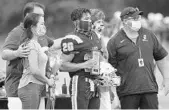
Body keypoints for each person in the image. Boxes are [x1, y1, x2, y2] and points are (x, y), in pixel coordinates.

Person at [1, 2, 62, 109]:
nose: (42, 18)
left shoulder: (39, 36)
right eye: (38, 15)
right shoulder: (17, 33)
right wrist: (17, 53)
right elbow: (4, 54)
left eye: (43, 16)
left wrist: (72, 39)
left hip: (39, 88)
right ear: (28, 17)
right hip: (20, 88)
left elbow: (53, 45)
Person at [107, 7, 169, 109]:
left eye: (138, 17)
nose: (138, 20)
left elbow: (161, 57)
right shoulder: (114, 41)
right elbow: (110, 69)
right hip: (126, 91)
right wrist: (113, 93)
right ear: (125, 21)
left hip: (149, 89)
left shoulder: (149, 34)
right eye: (134, 18)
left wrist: (166, 79)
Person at [60, 8, 101, 109]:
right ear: (76, 22)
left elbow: (98, 57)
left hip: (95, 82)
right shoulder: (72, 39)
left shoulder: (94, 35)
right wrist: (84, 65)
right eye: (86, 18)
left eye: (90, 18)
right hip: (80, 81)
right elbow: (62, 65)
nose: (90, 21)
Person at [18, 13, 55, 109]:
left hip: (35, 87)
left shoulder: (36, 44)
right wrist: (48, 81)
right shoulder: (32, 45)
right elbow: (34, 70)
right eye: (41, 24)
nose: (44, 26)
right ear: (33, 28)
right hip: (30, 86)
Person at [90, 8, 112, 110]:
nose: (101, 24)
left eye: (102, 21)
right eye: (99, 22)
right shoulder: (90, 38)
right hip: (95, 81)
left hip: (104, 82)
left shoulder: (100, 37)